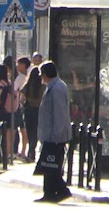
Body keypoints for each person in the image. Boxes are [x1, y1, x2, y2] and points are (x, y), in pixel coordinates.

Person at [33, 59, 72, 202]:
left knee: (51, 166)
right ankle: (49, 193)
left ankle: (61, 191)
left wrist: (56, 136)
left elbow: (59, 114)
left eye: (41, 74)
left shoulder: (56, 88)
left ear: (45, 74)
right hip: (50, 135)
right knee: (48, 165)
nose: (41, 77)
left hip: (55, 136)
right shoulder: (53, 86)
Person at [22, 59, 44, 161]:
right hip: (38, 110)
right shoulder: (43, 86)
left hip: (28, 109)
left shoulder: (27, 85)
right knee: (36, 131)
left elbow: (21, 98)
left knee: (30, 131)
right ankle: (32, 151)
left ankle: (31, 152)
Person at [12, 56, 31, 156]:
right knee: (24, 129)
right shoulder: (29, 76)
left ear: (23, 65)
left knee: (18, 129)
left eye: (18, 65)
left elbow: (14, 91)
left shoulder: (20, 78)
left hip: (18, 105)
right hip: (26, 105)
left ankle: (17, 152)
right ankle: (24, 151)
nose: (17, 67)